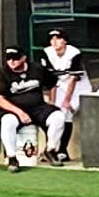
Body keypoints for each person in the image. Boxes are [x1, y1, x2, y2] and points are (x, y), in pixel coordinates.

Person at [0, 47, 57, 172]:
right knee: (7, 121)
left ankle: (50, 151)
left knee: (58, 117)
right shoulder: (2, 74)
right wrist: (20, 112)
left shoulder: (37, 69)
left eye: (16, 58)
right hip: (13, 110)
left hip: (38, 107)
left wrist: (52, 102)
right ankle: (12, 158)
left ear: (24, 58)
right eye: (9, 59)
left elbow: (52, 84)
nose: (12, 62)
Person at [40, 28, 84, 163]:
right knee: (53, 114)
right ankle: (51, 149)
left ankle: (62, 151)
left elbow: (73, 78)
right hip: (58, 84)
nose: (54, 41)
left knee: (66, 113)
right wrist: (52, 101)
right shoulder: (47, 52)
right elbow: (51, 80)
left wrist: (66, 100)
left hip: (78, 85)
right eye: (52, 38)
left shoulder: (74, 53)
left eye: (58, 38)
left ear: (64, 40)